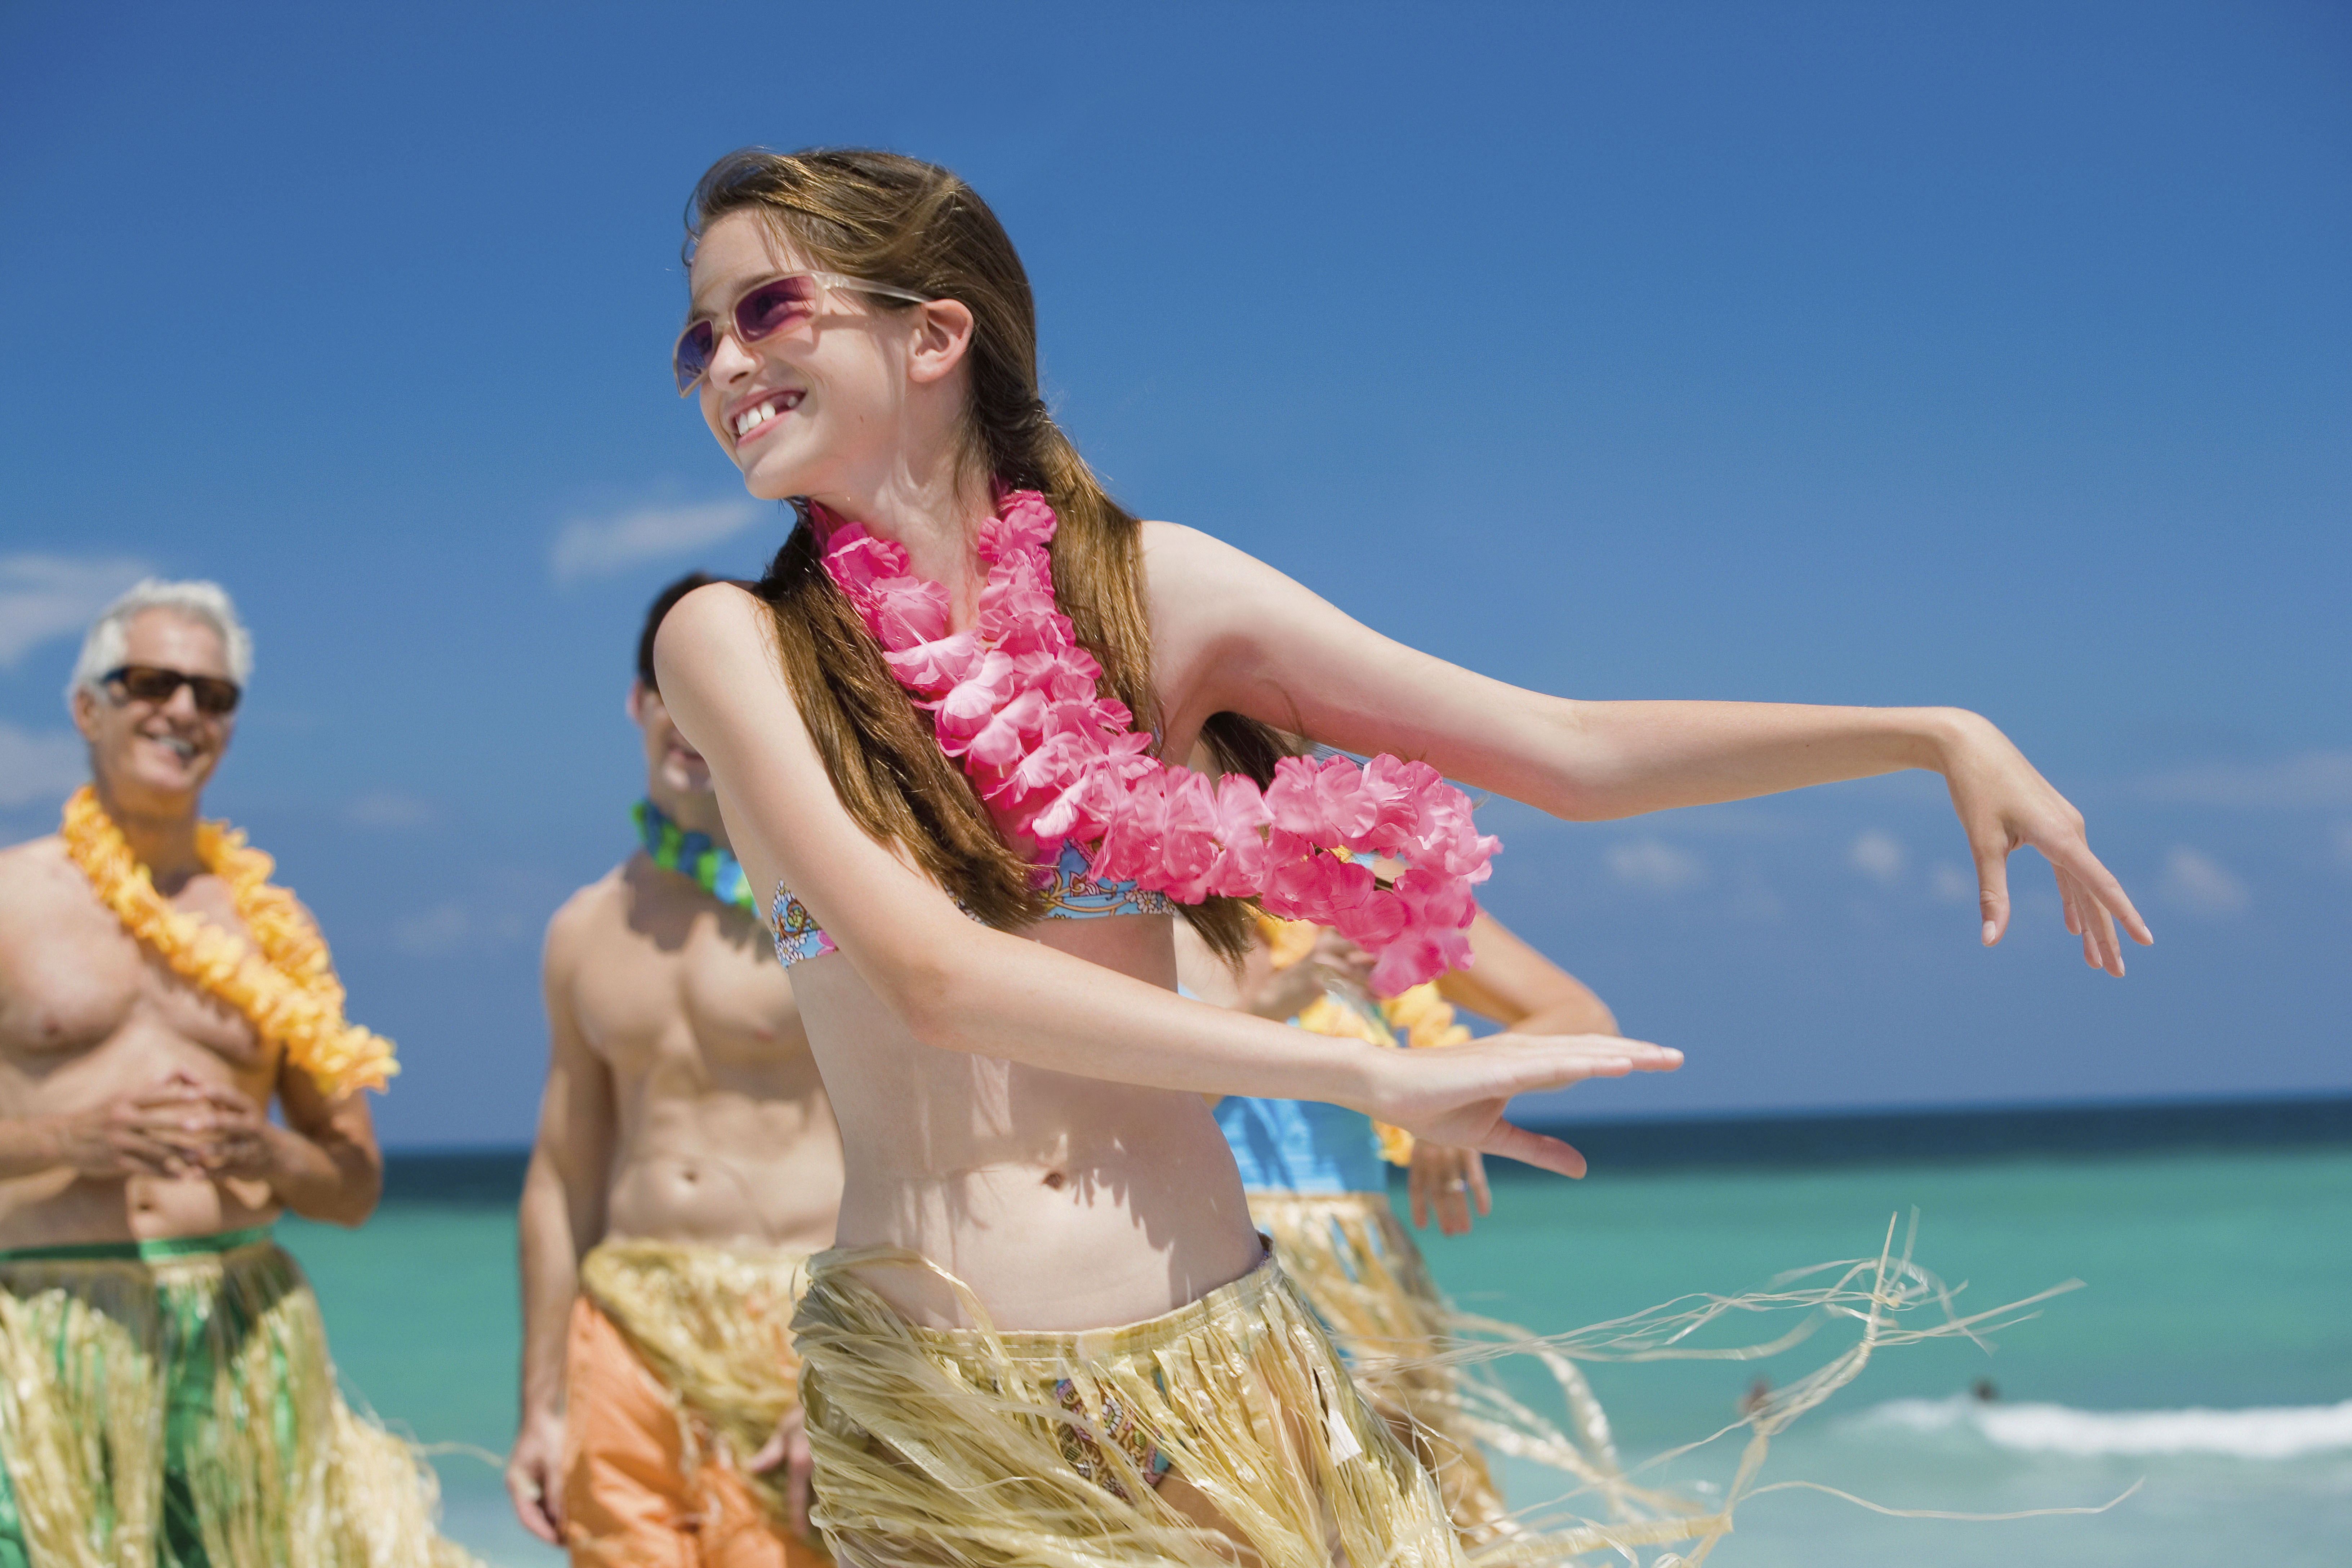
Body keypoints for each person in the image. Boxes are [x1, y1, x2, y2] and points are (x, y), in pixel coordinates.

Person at [649, 147, 2149, 1568]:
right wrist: (1366, 1077)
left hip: (1223, 1372)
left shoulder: (1155, 593)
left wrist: (1924, 729)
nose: (724, 362)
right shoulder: (737, 642)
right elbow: (928, 976)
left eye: (768, 308)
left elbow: (1563, 748)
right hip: (946, 1405)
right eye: (697, 336)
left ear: (935, 337)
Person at [0, 579, 474, 1568]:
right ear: (88, 707)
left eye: (213, 696)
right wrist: (67, 1142)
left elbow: (353, 1189)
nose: (183, 711)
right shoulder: (12, 900)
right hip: (44, 1338)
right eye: (151, 683)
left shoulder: (275, 931)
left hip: (237, 1339)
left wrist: (267, 1149)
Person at [507, 572, 843, 1567]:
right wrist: (541, 1404)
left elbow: (913, 1141)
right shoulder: (584, 927)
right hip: (627, 1326)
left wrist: (853, 1361)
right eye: (670, 687)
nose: (691, 717)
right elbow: (564, 1172)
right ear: (637, 702)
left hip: (793, 1319)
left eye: (722, 690)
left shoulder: (831, 911)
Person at [1179, 908, 1633, 1544]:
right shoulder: (1136, 878)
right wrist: (1274, 1004)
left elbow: (1579, 1017)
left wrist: (1447, 1083)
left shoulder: (1369, 883)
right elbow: (1120, 1102)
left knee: (1406, 1522)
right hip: (1206, 1260)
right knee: (1252, 1530)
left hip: (1354, 1271)